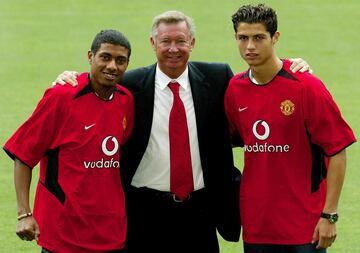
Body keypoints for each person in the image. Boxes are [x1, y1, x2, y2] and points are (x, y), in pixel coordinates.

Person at [53, 11, 311, 253]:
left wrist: (292, 65)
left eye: (181, 41)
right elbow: (99, 82)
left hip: (199, 213)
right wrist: (70, 78)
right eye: (165, 41)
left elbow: (256, 89)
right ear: (153, 43)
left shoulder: (218, 78)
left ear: (193, 43)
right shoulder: (130, 85)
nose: (173, 49)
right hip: (142, 212)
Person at [224, 4, 356, 253]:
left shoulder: (307, 87)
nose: (250, 46)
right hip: (256, 225)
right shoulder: (234, 88)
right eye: (243, 38)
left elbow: (337, 150)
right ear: (236, 38)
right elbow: (229, 140)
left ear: (275, 38)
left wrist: (330, 215)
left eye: (259, 38)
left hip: (303, 225)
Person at [3, 29, 134, 253]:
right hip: (64, 235)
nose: (112, 66)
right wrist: (24, 214)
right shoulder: (61, 97)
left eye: (120, 60)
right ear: (90, 57)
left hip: (112, 233)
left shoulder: (126, 100)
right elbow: (24, 155)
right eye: (105, 57)